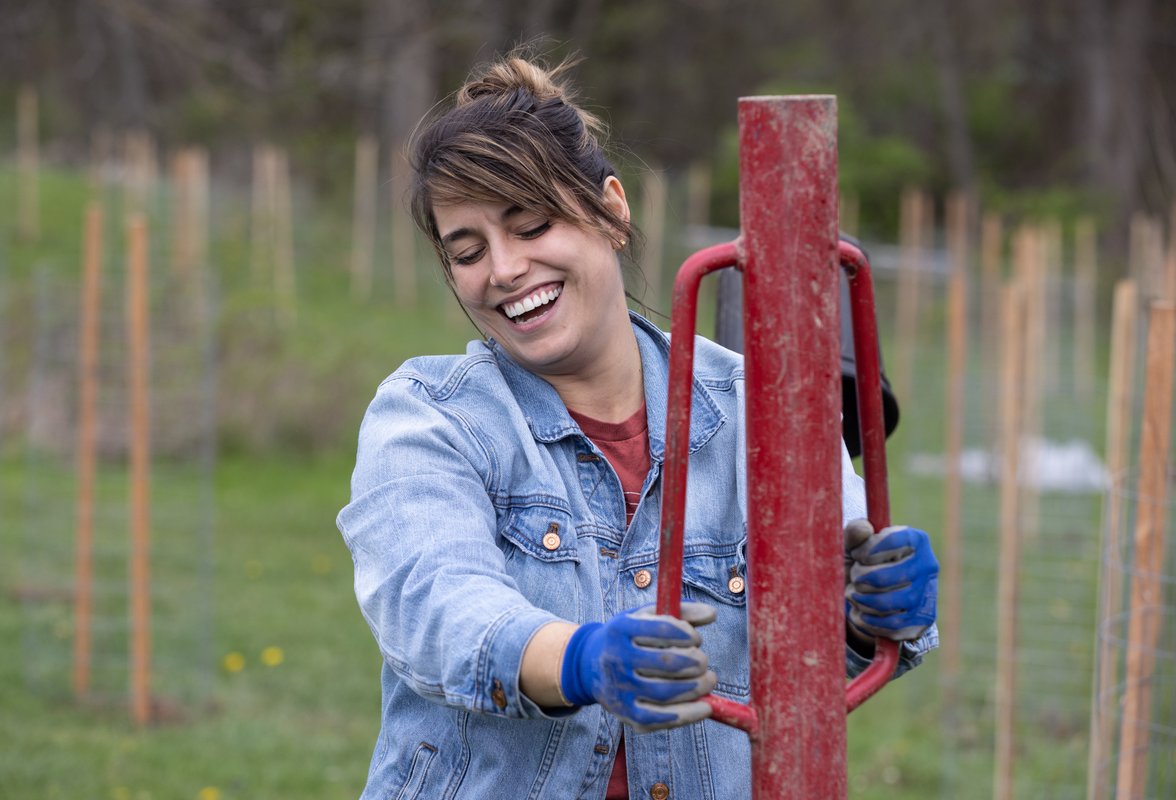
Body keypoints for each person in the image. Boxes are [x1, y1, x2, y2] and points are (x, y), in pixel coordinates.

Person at [336, 52, 939, 800]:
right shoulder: (431, 415)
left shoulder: (760, 409)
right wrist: (581, 659)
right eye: (468, 252)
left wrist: (867, 612)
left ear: (613, 209)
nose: (503, 268)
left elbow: (810, 672)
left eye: (531, 225)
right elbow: (433, 605)